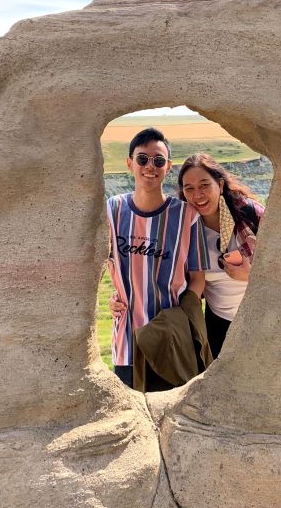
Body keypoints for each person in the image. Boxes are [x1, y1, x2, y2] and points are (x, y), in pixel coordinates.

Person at [106, 127, 207, 387]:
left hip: (171, 342)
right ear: (130, 163)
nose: (150, 166)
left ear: (168, 166)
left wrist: (182, 316)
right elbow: (103, 262)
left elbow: (197, 277)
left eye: (158, 160)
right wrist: (114, 295)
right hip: (127, 342)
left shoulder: (187, 216)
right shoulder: (112, 210)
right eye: (142, 159)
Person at [177, 153, 264, 357]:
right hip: (219, 327)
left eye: (204, 185)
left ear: (221, 185)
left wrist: (250, 276)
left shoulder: (250, 215)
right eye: (189, 188)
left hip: (261, 320)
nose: (198, 195)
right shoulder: (186, 229)